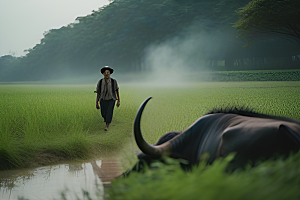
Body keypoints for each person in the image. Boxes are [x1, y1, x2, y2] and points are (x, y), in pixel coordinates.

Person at [96, 66, 120, 131]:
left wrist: (118, 101)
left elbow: (117, 90)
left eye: (108, 72)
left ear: (110, 73)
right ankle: (106, 120)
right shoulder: (100, 82)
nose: (106, 73)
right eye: (105, 72)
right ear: (103, 74)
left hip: (111, 99)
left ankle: (107, 126)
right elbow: (98, 92)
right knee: (103, 113)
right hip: (102, 99)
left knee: (109, 112)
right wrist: (97, 103)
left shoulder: (113, 81)